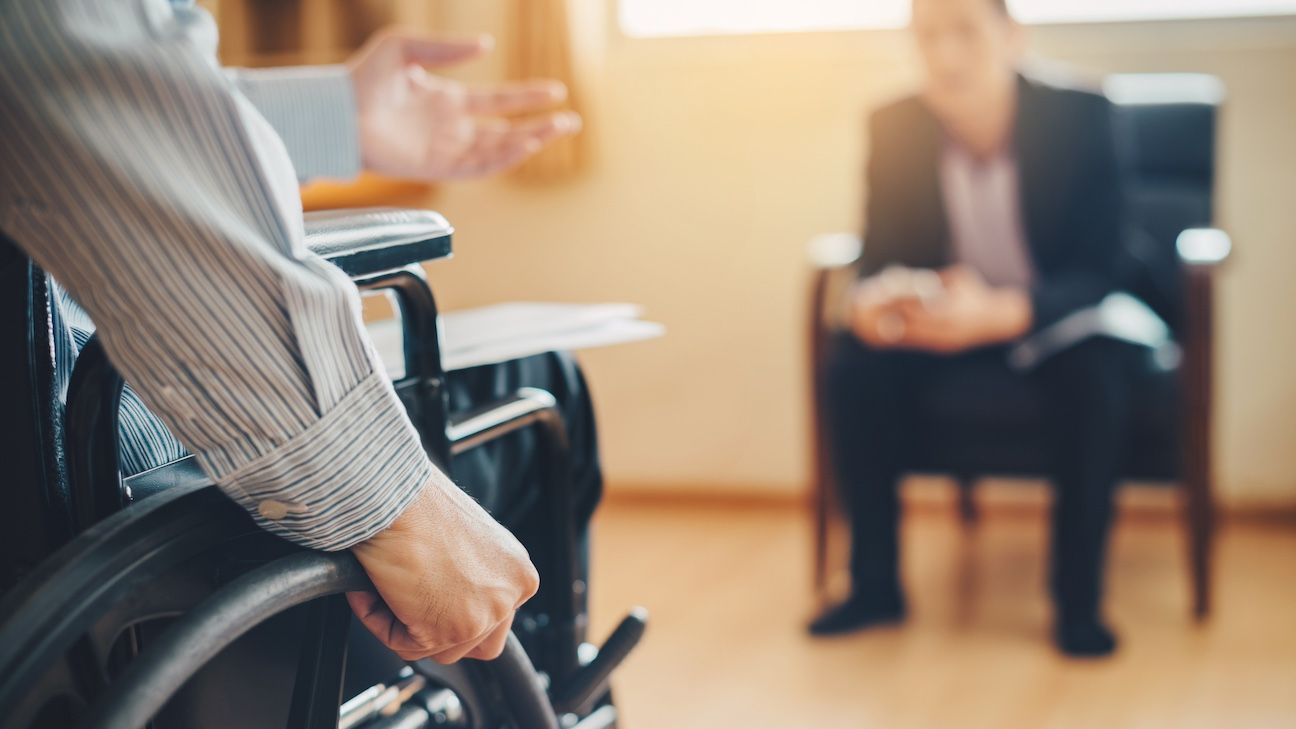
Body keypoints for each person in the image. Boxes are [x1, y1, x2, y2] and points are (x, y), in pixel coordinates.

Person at [0, 0, 593, 665]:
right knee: (538, 374)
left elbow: (87, 106)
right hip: (91, 481)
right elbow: (79, 83)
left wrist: (339, 116)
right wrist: (392, 495)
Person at [808, 0, 1143, 657]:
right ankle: (874, 585)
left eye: (964, 31)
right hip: (945, 327)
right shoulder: (895, 124)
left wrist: (1002, 312)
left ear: (1013, 37)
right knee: (854, 364)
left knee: (1095, 373)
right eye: (927, 35)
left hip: (1052, 318)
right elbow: (881, 254)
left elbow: (1102, 267)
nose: (945, 54)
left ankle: (1078, 603)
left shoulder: (1082, 114)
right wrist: (876, 301)